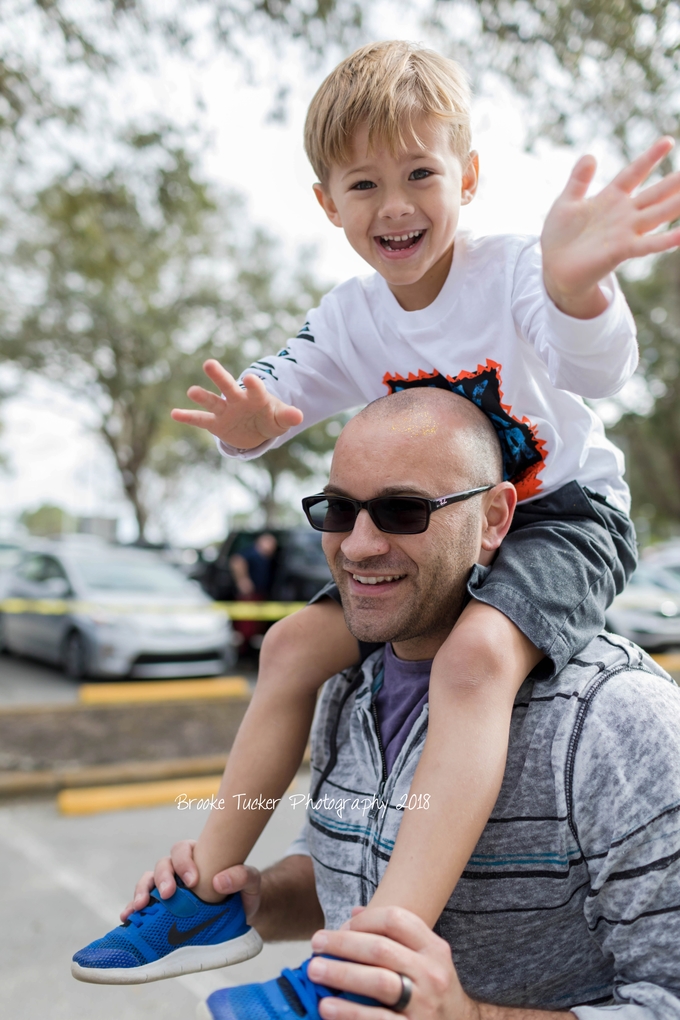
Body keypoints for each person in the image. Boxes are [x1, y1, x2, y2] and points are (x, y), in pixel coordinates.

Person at [72, 40, 680, 982]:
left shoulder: (519, 269)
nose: (394, 205)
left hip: (563, 512)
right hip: (425, 527)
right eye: (363, 184)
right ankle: (210, 894)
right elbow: (276, 394)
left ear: (468, 177)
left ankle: (372, 954)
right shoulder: (355, 313)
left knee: (477, 657)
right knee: (289, 646)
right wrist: (250, 424)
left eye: (420, 173)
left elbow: (598, 369)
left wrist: (577, 286)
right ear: (328, 204)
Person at [130, 390, 680, 1019]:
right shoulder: (344, 683)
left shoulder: (618, 721)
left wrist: (470, 1017)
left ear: (496, 519)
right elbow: (348, 868)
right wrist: (253, 895)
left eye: (403, 510)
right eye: (340, 509)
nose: (359, 545)